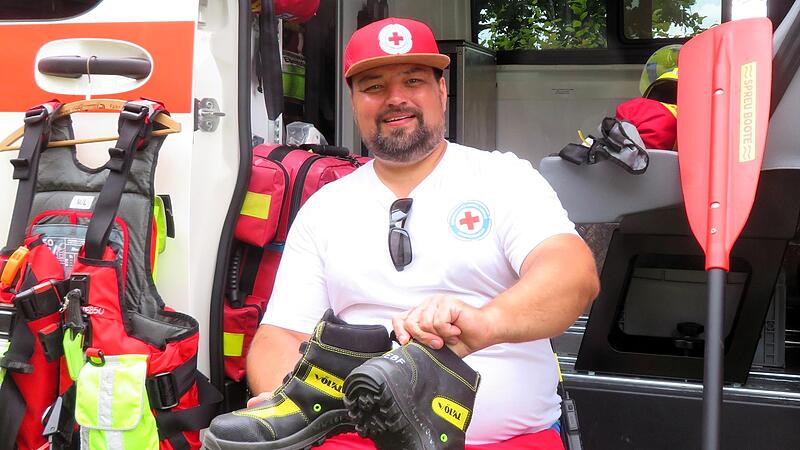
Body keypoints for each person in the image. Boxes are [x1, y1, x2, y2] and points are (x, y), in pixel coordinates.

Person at [246, 17, 598, 449]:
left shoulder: (504, 178)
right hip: (353, 438)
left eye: (413, 81)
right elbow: (280, 335)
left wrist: (484, 324)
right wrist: (289, 399)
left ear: (441, 92)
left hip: (508, 441)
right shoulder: (325, 207)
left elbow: (573, 275)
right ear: (354, 101)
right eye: (374, 86)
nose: (396, 98)